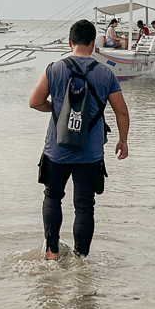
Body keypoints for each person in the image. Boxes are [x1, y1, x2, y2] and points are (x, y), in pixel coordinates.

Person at [29, 19, 129, 259]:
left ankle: (52, 253)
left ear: (69, 41)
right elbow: (121, 111)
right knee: (84, 205)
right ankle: (80, 258)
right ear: (94, 44)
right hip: (90, 152)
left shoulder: (54, 68)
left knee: (52, 196)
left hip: (57, 148)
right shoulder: (106, 73)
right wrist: (122, 140)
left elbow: (34, 102)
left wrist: (57, 109)